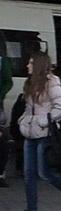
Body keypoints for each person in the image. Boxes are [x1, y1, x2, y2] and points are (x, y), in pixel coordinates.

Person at [12, 52, 61, 211]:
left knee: (43, 172)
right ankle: (31, 209)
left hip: (44, 132)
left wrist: (42, 121)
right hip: (30, 131)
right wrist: (24, 121)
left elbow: (60, 108)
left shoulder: (52, 82)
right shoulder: (30, 84)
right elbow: (28, 108)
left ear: (39, 65)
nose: (27, 66)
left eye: (31, 63)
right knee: (28, 172)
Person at [0, 52, 12, 187]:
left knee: (2, 141)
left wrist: (0, 95)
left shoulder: (2, 61)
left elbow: (8, 82)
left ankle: (1, 173)